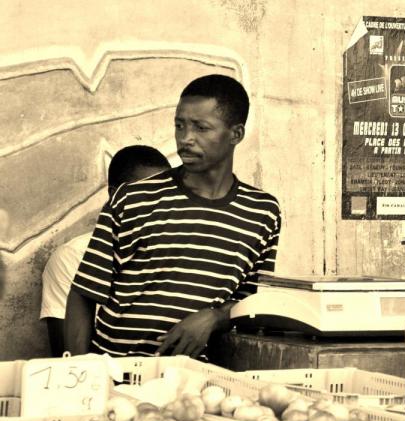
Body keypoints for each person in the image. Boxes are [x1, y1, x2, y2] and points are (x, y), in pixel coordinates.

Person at [64, 74, 281, 358]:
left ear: (235, 134)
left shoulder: (262, 212)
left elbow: (252, 303)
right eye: (180, 125)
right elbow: (83, 294)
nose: (185, 139)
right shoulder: (133, 198)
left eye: (201, 128)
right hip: (116, 376)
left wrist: (215, 318)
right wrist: (82, 374)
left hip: (197, 386)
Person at [41, 145, 170, 357]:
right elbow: (66, 358)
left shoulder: (178, 251)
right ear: (115, 197)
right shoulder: (72, 257)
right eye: (146, 195)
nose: (159, 205)